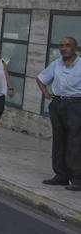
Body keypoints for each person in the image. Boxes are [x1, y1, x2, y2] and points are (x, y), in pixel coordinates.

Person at [37, 37, 81, 191]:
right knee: (59, 140)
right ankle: (61, 175)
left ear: (75, 48)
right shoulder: (56, 64)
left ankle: (77, 178)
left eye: (67, 46)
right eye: (61, 45)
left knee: (75, 142)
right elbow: (41, 79)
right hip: (58, 104)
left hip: (76, 105)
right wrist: (47, 94)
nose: (63, 48)